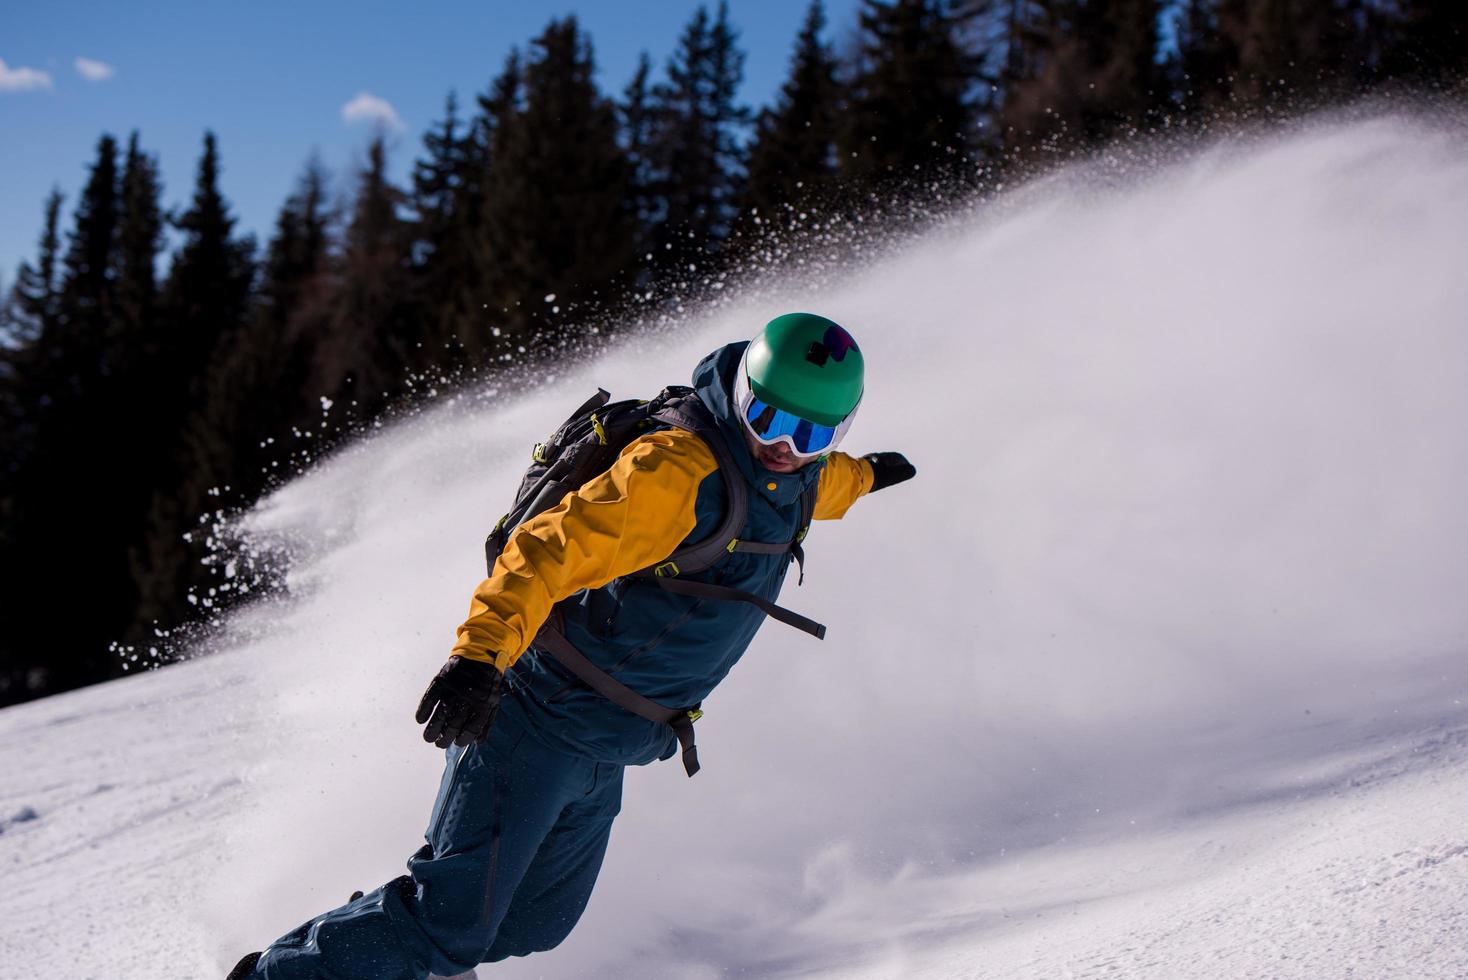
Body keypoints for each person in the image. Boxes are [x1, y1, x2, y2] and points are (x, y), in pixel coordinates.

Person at [229, 313, 916, 980]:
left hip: (610, 742)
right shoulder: (675, 474)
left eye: (812, 433)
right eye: (768, 420)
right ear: (742, 396)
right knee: (451, 927)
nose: (784, 446)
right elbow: (546, 552)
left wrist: (869, 475)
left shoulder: (796, 476)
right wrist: (477, 658)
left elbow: (819, 485)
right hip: (534, 716)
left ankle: (377, 943)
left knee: (536, 923)